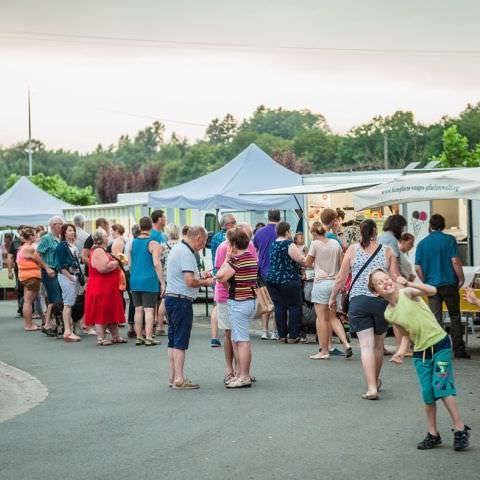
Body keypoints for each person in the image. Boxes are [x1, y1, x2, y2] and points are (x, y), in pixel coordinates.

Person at [369, 269, 471, 451]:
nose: (385, 282)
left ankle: (460, 428)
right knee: (428, 394)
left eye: (386, 278)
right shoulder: (389, 314)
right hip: (421, 353)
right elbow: (406, 333)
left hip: (440, 345)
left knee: (442, 386)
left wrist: (408, 283)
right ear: (376, 292)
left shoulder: (407, 293)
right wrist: (400, 351)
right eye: (379, 282)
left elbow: (432, 290)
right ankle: (433, 434)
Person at [329, 219, 399, 399]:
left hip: (358, 302)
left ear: (361, 232)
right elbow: (395, 278)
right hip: (381, 302)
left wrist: (332, 298)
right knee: (378, 346)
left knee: (366, 346)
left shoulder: (352, 250)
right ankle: (375, 380)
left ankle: (371, 388)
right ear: (376, 231)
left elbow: (341, 277)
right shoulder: (387, 251)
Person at [165, 226, 214, 390]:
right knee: (180, 340)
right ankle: (179, 378)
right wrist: (206, 282)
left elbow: (187, 276)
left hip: (172, 297)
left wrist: (201, 275)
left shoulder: (177, 248)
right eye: (205, 240)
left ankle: (173, 376)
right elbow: (189, 281)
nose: (204, 243)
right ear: (199, 237)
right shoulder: (186, 253)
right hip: (181, 300)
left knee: (173, 339)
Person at [415, 214, 469, 359]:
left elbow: (418, 268)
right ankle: (459, 350)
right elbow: (455, 261)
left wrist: (425, 281)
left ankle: (438, 350)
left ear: (430, 226)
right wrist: (461, 278)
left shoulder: (422, 243)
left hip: (432, 286)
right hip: (449, 284)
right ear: (443, 226)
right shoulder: (449, 240)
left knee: (435, 319)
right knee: (455, 317)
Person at [214, 223, 257, 385]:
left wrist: (227, 258)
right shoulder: (251, 258)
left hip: (239, 301)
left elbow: (220, 276)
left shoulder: (236, 260)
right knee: (241, 339)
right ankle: (242, 374)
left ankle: (243, 375)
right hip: (250, 299)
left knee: (241, 340)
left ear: (233, 245)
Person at [305, 223, 352, 359]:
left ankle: (324, 351)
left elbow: (307, 263)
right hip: (334, 283)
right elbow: (342, 263)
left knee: (322, 318)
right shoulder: (335, 243)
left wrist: (303, 258)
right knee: (333, 317)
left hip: (321, 283)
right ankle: (346, 344)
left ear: (313, 233)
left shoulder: (314, 244)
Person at [84, 228, 126, 345]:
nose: (108, 238)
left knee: (111, 311)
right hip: (101, 286)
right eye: (106, 236)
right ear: (102, 239)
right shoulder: (98, 251)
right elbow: (103, 268)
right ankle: (101, 338)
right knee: (101, 312)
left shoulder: (101, 250)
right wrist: (116, 262)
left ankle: (115, 336)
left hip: (107, 287)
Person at [266, 221, 305, 343]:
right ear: (287, 231)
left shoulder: (273, 244)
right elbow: (300, 259)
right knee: (294, 306)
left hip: (272, 279)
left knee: (279, 306)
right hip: (288, 279)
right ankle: (293, 336)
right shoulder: (289, 244)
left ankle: (282, 335)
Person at [130, 216, 165, 346]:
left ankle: (139, 336)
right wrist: (162, 281)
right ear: (151, 226)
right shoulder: (153, 243)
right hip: (148, 279)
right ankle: (149, 336)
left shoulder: (133, 242)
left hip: (135, 279)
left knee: (138, 309)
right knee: (149, 310)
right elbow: (156, 263)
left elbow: (131, 261)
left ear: (140, 226)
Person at [378, 214, 409, 359]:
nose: (403, 230)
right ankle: (400, 347)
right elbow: (394, 263)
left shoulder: (381, 237)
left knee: (383, 316)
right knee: (398, 315)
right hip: (391, 281)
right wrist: (401, 278)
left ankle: (380, 346)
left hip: (380, 280)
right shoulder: (391, 239)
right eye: (402, 227)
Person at [16, 227, 55, 331]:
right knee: (28, 301)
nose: (37, 236)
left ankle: (29, 323)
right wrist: (47, 268)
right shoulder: (29, 248)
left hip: (25, 276)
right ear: (31, 236)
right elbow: (39, 260)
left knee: (27, 300)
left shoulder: (23, 247)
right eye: (35, 234)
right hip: (31, 276)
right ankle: (28, 325)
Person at [209, 213, 237, 347]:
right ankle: (229, 333)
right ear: (227, 225)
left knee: (217, 305)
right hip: (225, 270)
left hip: (217, 269)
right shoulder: (227, 238)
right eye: (233, 222)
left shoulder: (215, 236)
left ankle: (214, 336)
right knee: (225, 304)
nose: (236, 224)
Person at [253, 209, 281, 340]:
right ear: (279, 217)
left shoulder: (259, 232)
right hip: (279, 271)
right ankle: (275, 331)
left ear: (268, 217)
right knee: (277, 302)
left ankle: (265, 330)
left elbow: (255, 249)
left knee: (264, 301)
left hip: (263, 270)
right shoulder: (282, 231)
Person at [37, 216, 64, 335]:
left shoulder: (58, 238)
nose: (62, 226)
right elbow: (36, 255)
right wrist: (47, 268)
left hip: (57, 270)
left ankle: (50, 324)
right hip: (50, 271)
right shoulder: (46, 238)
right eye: (60, 224)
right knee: (55, 298)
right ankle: (51, 324)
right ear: (54, 225)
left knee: (56, 299)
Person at [55, 224, 82, 342]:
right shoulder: (62, 246)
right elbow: (59, 264)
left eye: (73, 230)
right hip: (67, 276)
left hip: (73, 276)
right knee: (68, 303)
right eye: (70, 230)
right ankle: (67, 330)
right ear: (64, 233)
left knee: (70, 303)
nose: (72, 232)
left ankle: (69, 329)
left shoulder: (72, 245)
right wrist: (69, 276)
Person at [7, 226, 25, 317]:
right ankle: (21, 309)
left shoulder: (31, 241)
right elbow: (10, 257)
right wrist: (9, 271)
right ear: (18, 231)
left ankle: (32, 309)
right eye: (21, 230)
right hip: (19, 270)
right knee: (21, 289)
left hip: (32, 270)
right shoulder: (15, 242)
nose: (23, 231)